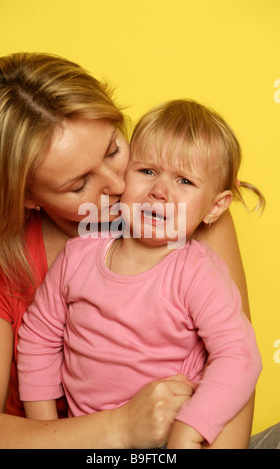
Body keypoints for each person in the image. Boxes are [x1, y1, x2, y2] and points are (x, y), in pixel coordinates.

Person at [17, 99, 264, 449]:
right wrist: (45, 427)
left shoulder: (198, 272)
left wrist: (191, 429)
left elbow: (239, 355)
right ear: (124, 176)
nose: (160, 191)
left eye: (185, 181)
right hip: (92, 439)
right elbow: (38, 338)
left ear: (215, 207)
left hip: (171, 438)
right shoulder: (78, 256)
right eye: (147, 171)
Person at [0, 52, 197, 449]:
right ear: (28, 197)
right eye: (79, 184)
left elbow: (232, 364)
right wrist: (117, 428)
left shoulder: (184, 206)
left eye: (113, 150)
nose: (117, 185)